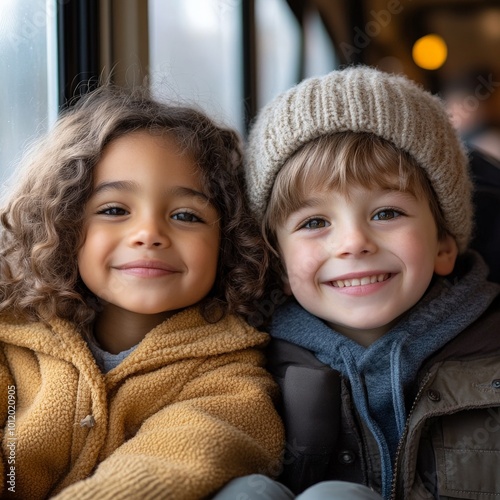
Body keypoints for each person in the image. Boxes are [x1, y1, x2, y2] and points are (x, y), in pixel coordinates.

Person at [218, 66, 500, 499]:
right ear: (277, 261)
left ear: (444, 244)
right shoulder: (244, 369)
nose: (353, 243)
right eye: (314, 222)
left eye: (386, 213)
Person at [0, 86, 284, 499]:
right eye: (114, 210)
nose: (149, 234)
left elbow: (161, 466)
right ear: (63, 225)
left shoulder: (232, 378)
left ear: (229, 241)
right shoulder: (12, 338)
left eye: (186, 215)